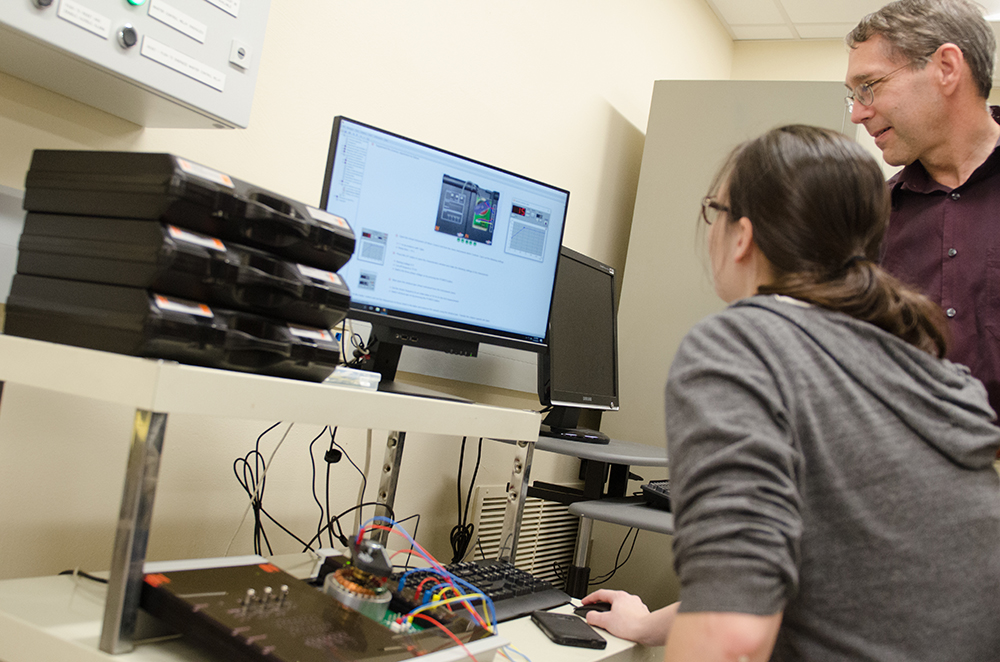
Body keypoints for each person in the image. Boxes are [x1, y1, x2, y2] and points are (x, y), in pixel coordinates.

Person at [580, 125, 1000, 661]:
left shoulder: (744, 342)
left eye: (715, 211)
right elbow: (854, 582)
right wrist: (645, 625)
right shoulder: (923, 370)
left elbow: (729, 638)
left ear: (742, 236)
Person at [845, 0, 1000, 419]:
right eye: (853, 96)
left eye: (869, 86)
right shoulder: (872, 217)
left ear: (946, 68)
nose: (858, 112)